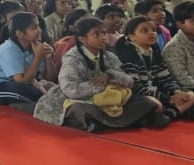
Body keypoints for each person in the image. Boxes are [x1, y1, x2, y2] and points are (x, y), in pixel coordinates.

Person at [33, 17, 165, 130]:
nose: (103, 37)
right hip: (76, 99)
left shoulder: (108, 56)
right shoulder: (72, 58)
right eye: (96, 34)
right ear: (83, 39)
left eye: (104, 33)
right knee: (79, 109)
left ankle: (102, 123)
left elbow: (129, 81)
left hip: (108, 99)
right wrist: (100, 86)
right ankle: (134, 119)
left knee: (147, 102)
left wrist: (110, 76)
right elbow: (70, 90)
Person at [0, 12, 54, 112]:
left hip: (25, 82)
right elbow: (22, 81)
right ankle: (40, 106)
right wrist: (38, 57)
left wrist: (48, 58)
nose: (39, 30)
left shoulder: (35, 46)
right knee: (26, 90)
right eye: (34, 28)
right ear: (20, 34)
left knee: (51, 87)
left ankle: (30, 104)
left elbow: (49, 78)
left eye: (38, 27)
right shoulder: (8, 50)